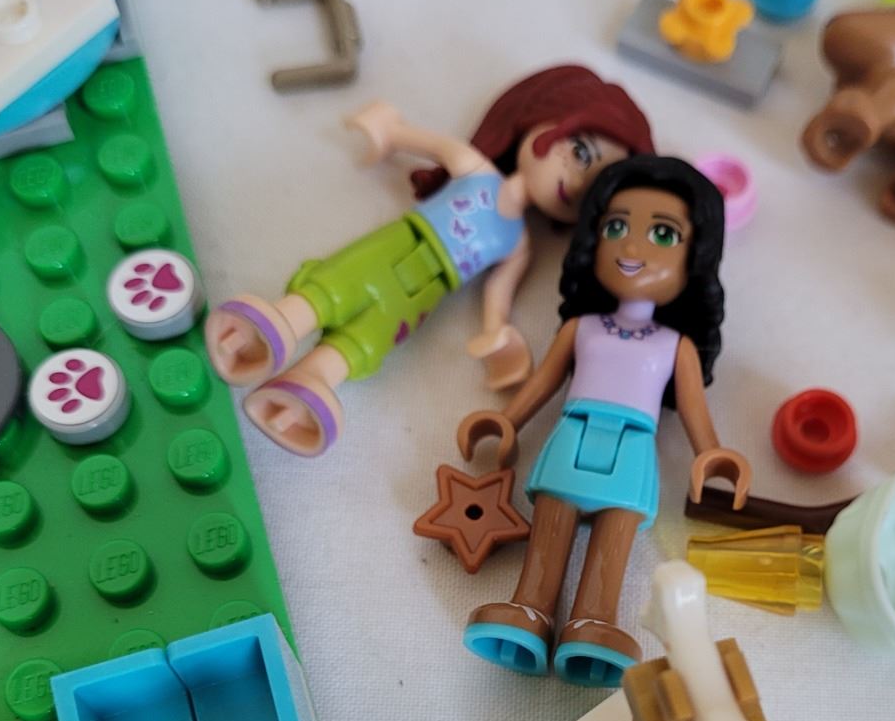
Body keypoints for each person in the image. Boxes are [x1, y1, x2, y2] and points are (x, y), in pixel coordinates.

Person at [204, 65, 654, 457]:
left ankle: (313, 378)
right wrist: (389, 131)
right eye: (579, 153)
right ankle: (284, 321)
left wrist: (497, 332)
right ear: (543, 122)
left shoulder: (518, 244)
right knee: (336, 287)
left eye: (592, 188)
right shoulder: (476, 169)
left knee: (369, 339)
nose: (575, 182)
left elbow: (498, 293)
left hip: (428, 292)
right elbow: (432, 145)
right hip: (397, 246)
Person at [454, 156, 751, 687]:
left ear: (695, 258)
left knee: (615, 534)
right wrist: (507, 420)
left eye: (663, 234)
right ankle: (530, 608)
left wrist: (711, 453)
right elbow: (543, 382)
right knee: (552, 521)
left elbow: (694, 410)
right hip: (573, 432)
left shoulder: (674, 345)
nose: (632, 248)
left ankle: (593, 622)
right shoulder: (582, 327)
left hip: (634, 446)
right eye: (616, 227)